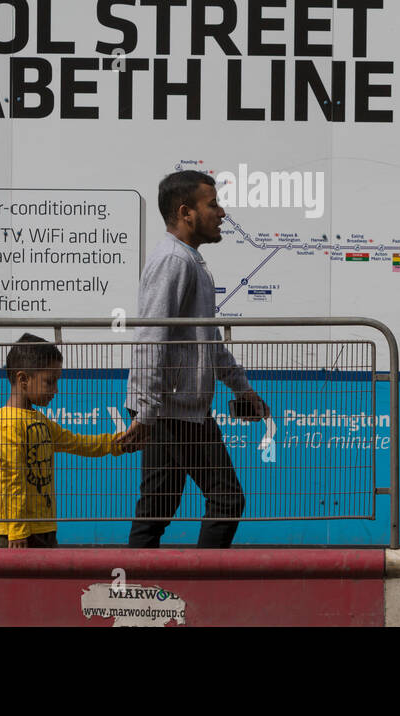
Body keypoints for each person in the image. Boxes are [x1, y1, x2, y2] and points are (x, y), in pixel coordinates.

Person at [114, 171, 268, 548]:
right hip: (168, 412)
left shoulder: (189, 260)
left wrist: (243, 389)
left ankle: (143, 588)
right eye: (212, 204)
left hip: (182, 411)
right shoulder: (173, 261)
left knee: (159, 507)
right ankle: (181, 586)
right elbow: (151, 338)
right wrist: (148, 414)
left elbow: (208, 342)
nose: (221, 212)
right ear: (186, 212)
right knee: (220, 499)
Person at [0, 333, 130, 548]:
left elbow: (77, 442)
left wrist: (117, 442)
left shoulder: (39, 420)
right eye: (50, 381)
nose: (56, 390)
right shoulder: (8, 423)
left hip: (44, 525)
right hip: (18, 532)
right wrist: (17, 530)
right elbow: (11, 479)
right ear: (23, 379)